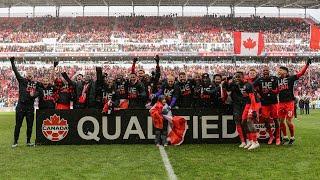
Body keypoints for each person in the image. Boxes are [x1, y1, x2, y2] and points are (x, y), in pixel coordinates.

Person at [277, 58, 311, 145]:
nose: (279, 71)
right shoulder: (277, 80)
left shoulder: (290, 78)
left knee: (288, 121)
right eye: (279, 70)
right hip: (280, 103)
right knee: (280, 121)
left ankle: (292, 137)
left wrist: (306, 65)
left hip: (289, 103)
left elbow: (301, 73)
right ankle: (285, 137)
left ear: (286, 72)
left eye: (281, 70)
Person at [10, 57, 39, 147]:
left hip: (30, 107)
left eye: (31, 74)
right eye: (28, 74)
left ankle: (28, 141)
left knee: (30, 126)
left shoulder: (36, 84)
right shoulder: (22, 80)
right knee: (18, 125)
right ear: (26, 75)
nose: (29, 76)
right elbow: (16, 72)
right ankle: (15, 141)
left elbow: (40, 92)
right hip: (21, 106)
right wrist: (12, 62)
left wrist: (33, 95)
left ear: (33, 76)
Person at [253, 67, 280, 145]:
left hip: (274, 102)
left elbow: (280, 85)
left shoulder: (274, 79)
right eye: (264, 70)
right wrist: (257, 93)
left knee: (275, 119)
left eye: (267, 70)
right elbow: (251, 86)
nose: (265, 72)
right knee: (265, 119)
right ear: (262, 72)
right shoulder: (259, 80)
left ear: (269, 71)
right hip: (264, 102)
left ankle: (277, 137)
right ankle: (271, 136)